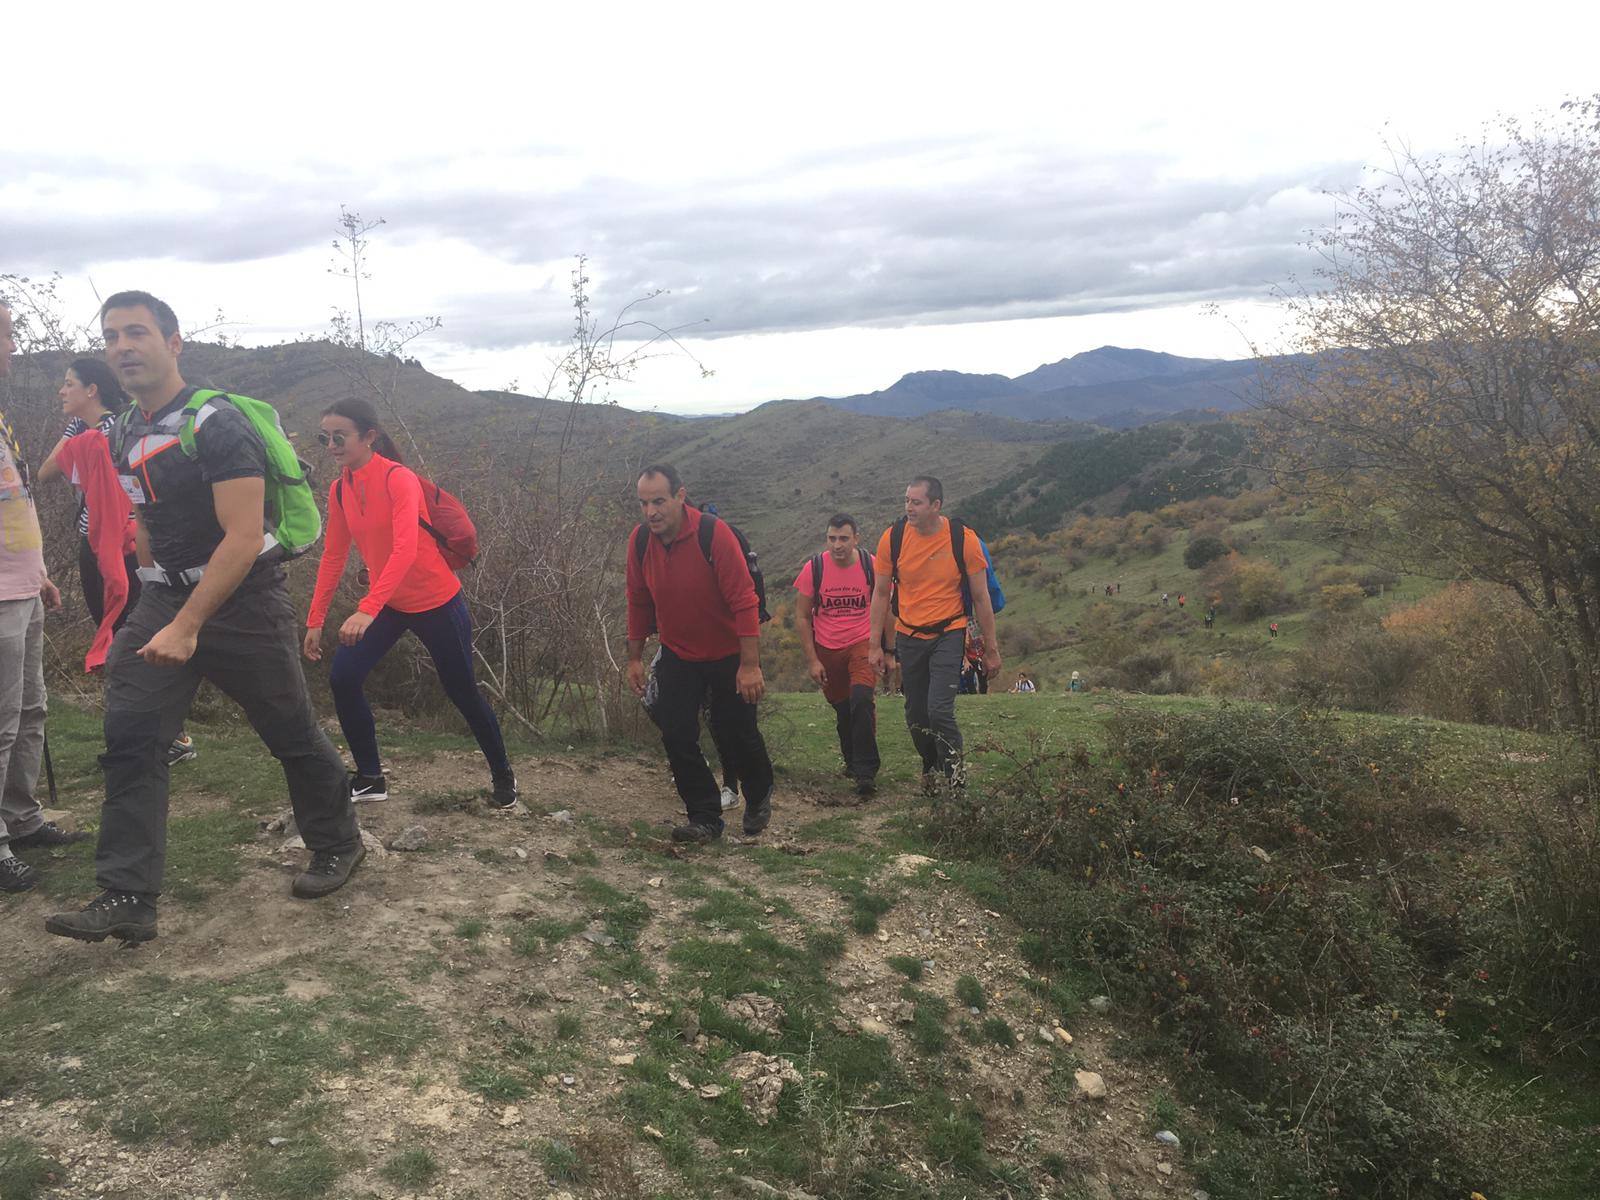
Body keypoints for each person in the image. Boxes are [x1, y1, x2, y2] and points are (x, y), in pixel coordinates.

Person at [45, 291, 364, 944]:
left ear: (173, 342)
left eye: (137, 333)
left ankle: (338, 841)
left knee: (290, 731)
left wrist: (188, 624)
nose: (122, 347)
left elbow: (243, 538)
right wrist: (142, 591)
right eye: (111, 337)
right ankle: (128, 893)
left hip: (241, 603)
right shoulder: (127, 428)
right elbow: (145, 516)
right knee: (132, 732)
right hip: (163, 599)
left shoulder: (217, 423)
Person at [303, 398, 516, 809]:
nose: (330, 445)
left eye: (339, 436)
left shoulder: (398, 479)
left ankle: (503, 775)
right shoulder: (340, 488)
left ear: (369, 436)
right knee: (343, 677)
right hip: (388, 603)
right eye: (324, 437)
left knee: (462, 691)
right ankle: (370, 777)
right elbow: (333, 555)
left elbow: (405, 549)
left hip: (436, 601)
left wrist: (367, 607)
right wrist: (316, 619)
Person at [37, 360, 198, 760]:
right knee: (112, 635)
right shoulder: (83, 432)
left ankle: (169, 735)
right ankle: (144, 732)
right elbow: (45, 473)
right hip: (92, 543)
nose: (62, 391)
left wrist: (90, 434)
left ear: (92, 390)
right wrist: (77, 430)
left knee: (134, 634)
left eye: (69, 384)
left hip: (128, 544)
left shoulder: (119, 427)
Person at [625, 465, 774, 843]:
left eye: (659, 501)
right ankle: (705, 816)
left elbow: (744, 601)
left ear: (679, 496)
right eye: (644, 503)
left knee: (737, 734)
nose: (651, 512)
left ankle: (758, 796)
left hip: (729, 653)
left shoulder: (713, 534)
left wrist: (750, 665)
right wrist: (635, 656)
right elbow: (639, 600)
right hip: (679, 653)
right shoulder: (640, 542)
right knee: (676, 733)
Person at [0, 300, 81, 894]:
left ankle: (22, 820)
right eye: (4, 336)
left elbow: (17, 504)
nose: (10, 348)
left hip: (22, 586)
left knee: (31, 713)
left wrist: (41, 571)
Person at [868, 475, 1000, 792]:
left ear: (936, 505)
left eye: (916, 502)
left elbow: (981, 598)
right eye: (906, 501)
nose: (909, 508)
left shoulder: (963, 540)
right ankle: (930, 765)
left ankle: (955, 778)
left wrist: (991, 649)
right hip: (909, 635)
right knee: (915, 714)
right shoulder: (893, 538)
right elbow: (881, 594)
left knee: (939, 709)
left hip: (949, 632)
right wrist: (875, 645)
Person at [793, 514, 880, 798]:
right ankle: (852, 762)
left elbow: (885, 607)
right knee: (844, 710)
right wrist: (812, 660)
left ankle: (866, 773)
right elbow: (803, 617)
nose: (837, 545)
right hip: (827, 648)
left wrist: (887, 649)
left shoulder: (872, 566)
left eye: (843, 538)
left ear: (856, 538)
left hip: (862, 643)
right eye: (832, 538)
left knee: (862, 700)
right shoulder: (814, 569)